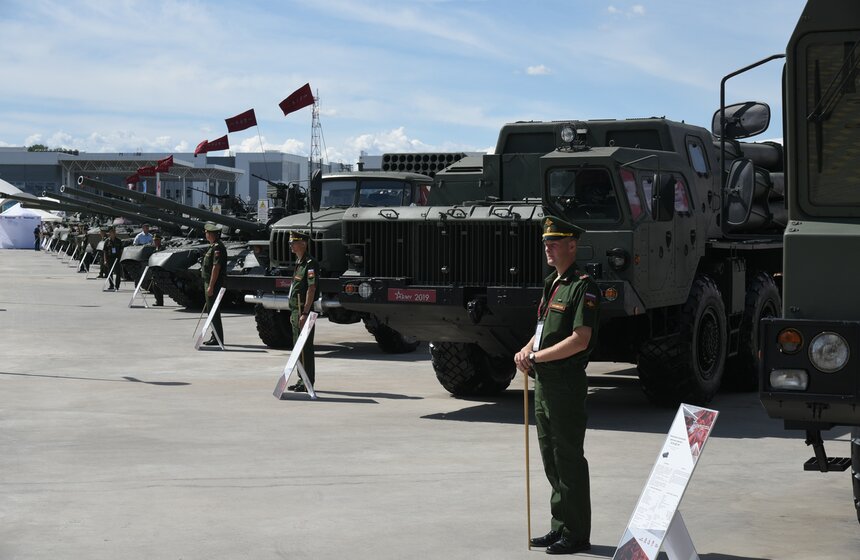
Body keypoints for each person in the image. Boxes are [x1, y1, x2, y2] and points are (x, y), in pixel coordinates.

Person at [514, 216, 601, 555]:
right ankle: (560, 525)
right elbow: (542, 331)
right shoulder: (553, 283)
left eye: (555, 241)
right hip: (545, 383)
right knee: (551, 458)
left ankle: (577, 533)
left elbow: (580, 340)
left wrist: (537, 358)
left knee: (568, 459)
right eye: (546, 242)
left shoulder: (583, 286)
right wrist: (526, 350)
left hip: (564, 384)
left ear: (572, 245)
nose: (547, 247)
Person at [287, 230, 317, 392]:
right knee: (297, 347)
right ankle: (301, 379)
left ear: (303, 244)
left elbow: (311, 288)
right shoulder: (300, 262)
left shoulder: (310, 263)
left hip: (303, 311)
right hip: (295, 310)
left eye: (294, 242)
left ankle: (307, 381)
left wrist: (305, 312)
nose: (291, 245)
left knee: (305, 347)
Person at [201, 223, 227, 345]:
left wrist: (211, 286)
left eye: (206, 232)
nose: (205, 234)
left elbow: (216, 268)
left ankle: (217, 338)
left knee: (213, 311)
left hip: (214, 284)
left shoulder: (217, 247)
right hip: (210, 282)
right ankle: (215, 335)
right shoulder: (213, 246)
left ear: (210, 234)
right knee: (211, 310)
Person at [102, 226, 124, 291]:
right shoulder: (107, 241)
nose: (113, 233)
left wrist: (121, 259)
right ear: (109, 233)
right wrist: (105, 260)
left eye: (114, 232)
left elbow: (121, 250)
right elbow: (105, 251)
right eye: (111, 232)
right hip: (109, 258)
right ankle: (111, 285)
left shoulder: (119, 241)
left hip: (117, 258)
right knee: (110, 272)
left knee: (118, 273)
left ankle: (117, 286)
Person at [149, 233, 165, 306]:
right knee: (154, 287)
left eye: (156, 240)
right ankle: (158, 301)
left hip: (160, 270)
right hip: (155, 270)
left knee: (159, 287)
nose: (155, 242)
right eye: (154, 240)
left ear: (159, 241)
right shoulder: (155, 250)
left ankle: (160, 302)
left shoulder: (163, 249)